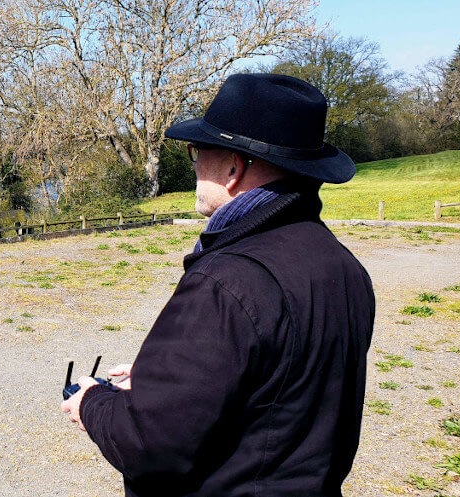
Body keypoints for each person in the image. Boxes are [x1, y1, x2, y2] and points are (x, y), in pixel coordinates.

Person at [60, 73, 376, 496]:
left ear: (233, 167)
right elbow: (281, 390)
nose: (194, 165)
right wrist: (166, 379)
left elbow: (148, 443)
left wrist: (91, 402)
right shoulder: (344, 267)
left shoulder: (228, 281)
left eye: (197, 152)